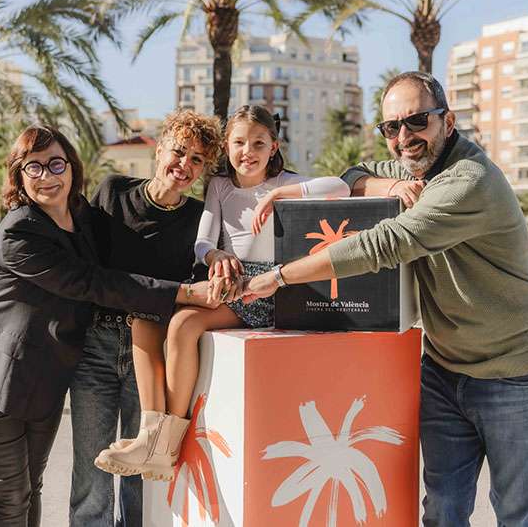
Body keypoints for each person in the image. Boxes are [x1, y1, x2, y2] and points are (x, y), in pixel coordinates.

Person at [243, 71, 528, 527]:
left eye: (417, 121)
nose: (404, 137)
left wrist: (281, 276)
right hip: (444, 371)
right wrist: (388, 187)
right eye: (391, 127)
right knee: (442, 510)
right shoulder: (417, 166)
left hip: (515, 373)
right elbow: (353, 175)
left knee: (517, 513)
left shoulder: (468, 180)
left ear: (447, 121)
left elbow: (384, 244)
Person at [0, 125, 215, 527]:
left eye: (56, 164)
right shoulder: (19, 231)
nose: (47, 176)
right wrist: (187, 294)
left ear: (72, 167)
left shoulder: (81, 217)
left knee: (31, 488)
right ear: (18, 175)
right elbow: (93, 282)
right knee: (9, 496)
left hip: (43, 375)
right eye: (34, 167)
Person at [93, 104, 350, 480]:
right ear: (227, 147)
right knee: (150, 319)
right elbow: (203, 242)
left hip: (271, 288)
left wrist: (281, 194)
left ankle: (164, 444)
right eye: (239, 143)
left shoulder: (284, 183)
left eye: (259, 143)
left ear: (274, 147)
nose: (248, 151)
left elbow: (340, 187)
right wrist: (215, 254)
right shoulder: (219, 186)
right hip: (235, 281)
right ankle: (153, 436)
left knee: (183, 324)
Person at [69, 110, 223, 526]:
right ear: (159, 150)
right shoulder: (112, 193)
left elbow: (202, 285)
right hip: (97, 347)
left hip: (152, 353)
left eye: (197, 160)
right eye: (179, 151)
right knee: (91, 469)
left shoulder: (201, 221)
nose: (184, 164)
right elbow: (88, 271)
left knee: (141, 472)